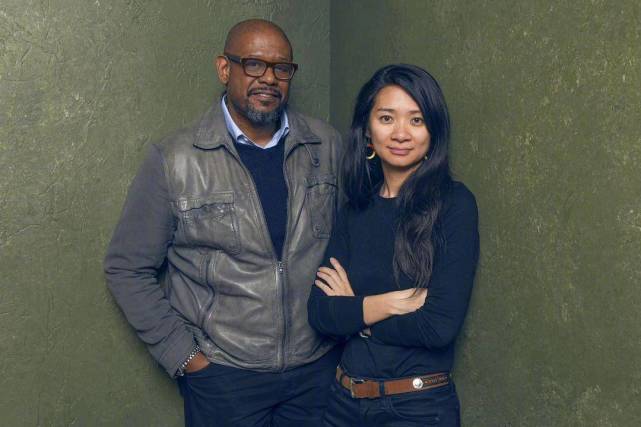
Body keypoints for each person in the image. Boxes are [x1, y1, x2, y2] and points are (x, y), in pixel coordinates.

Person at [104, 19, 343, 427]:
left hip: (315, 374)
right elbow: (126, 267)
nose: (269, 78)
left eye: (281, 68)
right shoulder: (176, 159)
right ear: (224, 69)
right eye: (254, 64)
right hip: (224, 379)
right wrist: (186, 359)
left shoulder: (327, 145)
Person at [307, 64, 479, 426]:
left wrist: (357, 313)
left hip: (416, 408)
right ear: (368, 131)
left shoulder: (455, 204)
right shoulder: (355, 209)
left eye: (416, 120)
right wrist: (387, 304)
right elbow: (321, 313)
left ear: (433, 131)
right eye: (387, 118)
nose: (401, 133)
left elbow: (437, 326)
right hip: (342, 404)